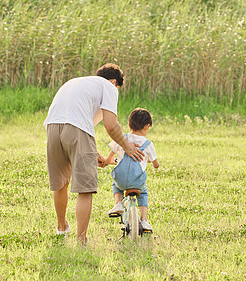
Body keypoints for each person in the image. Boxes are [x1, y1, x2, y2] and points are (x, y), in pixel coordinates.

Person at [43, 64, 144, 245]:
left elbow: (77, 122)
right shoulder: (109, 87)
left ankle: (61, 228)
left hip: (51, 127)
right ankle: (81, 239)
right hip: (75, 130)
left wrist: (94, 152)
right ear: (114, 82)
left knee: (60, 183)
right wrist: (127, 146)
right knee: (85, 188)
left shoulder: (78, 83)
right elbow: (111, 125)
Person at [105, 108, 159, 231]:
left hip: (121, 180)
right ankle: (144, 220)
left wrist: (113, 162)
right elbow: (156, 165)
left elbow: (109, 160)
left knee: (115, 184)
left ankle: (118, 203)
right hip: (137, 181)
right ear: (146, 126)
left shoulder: (121, 139)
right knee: (143, 193)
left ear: (129, 124)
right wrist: (148, 160)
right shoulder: (148, 144)